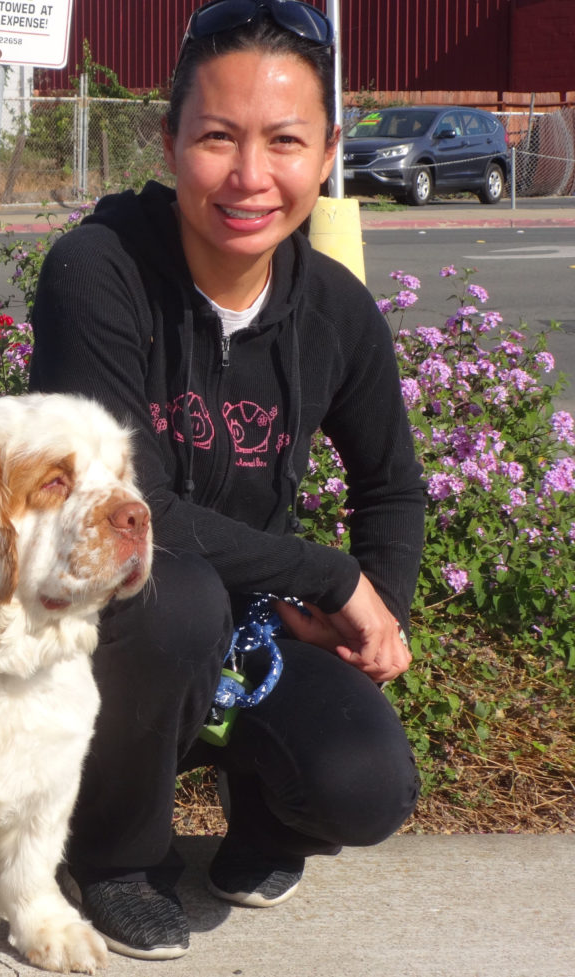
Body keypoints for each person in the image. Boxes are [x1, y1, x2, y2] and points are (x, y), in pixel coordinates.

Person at [28, 0, 426, 962]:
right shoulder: (100, 273)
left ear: (328, 150)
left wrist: (369, 623)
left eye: (285, 141)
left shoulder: (334, 309)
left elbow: (392, 486)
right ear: (169, 143)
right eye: (217, 137)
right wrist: (331, 576)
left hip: (251, 627)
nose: (251, 177)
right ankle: (114, 854)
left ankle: (266, 822)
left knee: (366, 784)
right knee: (173, 596)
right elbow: (127, 515)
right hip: (108, 614)